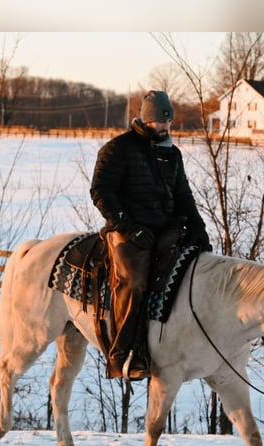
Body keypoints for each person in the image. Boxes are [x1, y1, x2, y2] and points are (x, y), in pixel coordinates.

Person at [90, 89, 211, 381]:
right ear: (146, 120)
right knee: (134, 283)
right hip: (126, 230)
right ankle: (121, 354)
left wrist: (200, 233)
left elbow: (183, 196)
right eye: (160, 122)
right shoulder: (118, 149)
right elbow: (101, 191)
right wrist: (127, 226)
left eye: (169, 122)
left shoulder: (172, 154)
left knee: (191, 269)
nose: (166, 127)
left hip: (163, 227)